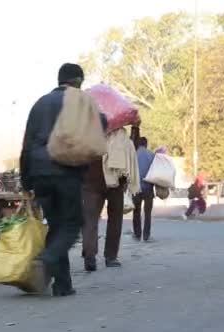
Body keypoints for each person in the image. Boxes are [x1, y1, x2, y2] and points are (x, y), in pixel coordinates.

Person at [20, 63, 107, 296]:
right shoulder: (79, 100)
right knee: (72, 224)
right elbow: (101, 125)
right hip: (65, 171)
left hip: (39, 172)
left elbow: (27, 143)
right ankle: (45, 260)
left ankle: (63, 285)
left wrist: (26, 179)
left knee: (57, 226)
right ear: (78, 81)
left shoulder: (40, 103)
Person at [81, 126, 139, 271]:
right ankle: (111, 257)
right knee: (114, 220)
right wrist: (135, 128)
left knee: (90, 220)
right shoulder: (122, 138)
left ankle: (90, 256)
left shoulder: (88, 136)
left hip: (91, 184)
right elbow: (132, 153)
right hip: (115, 184)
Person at [133, 137, 155, 242]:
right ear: (146, 144)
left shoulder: (133, 155)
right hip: (148, 187)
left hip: (136, 187)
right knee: (147, 213)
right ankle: (146, 235)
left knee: (136, 211)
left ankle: (137, 234)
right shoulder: (152, 155)